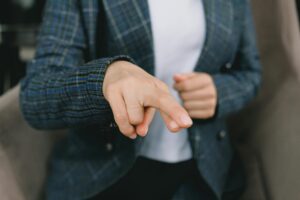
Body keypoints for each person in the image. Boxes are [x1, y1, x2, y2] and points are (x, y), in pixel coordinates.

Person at [20, 0, 261, 199]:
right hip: (104, 169)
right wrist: (105, 79)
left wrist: (220, 92)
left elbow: (251, 73)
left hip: (203, 170)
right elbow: (35, 95)